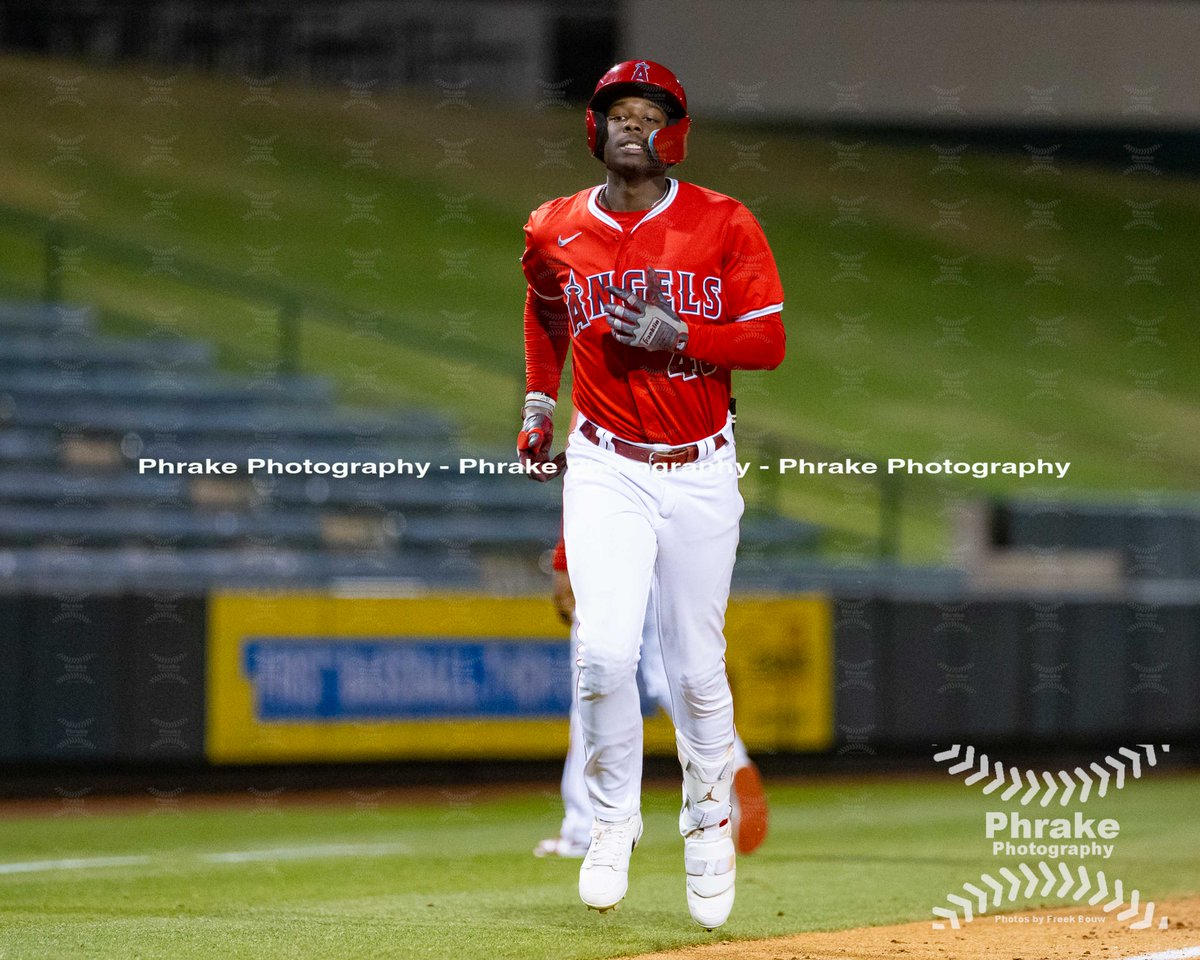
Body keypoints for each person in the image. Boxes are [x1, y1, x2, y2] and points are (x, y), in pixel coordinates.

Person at [517, 59, 785, 930]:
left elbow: (770, 341)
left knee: (696, 669)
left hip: (702, 467)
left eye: (649, 113)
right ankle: (607, 821)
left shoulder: (723, 219)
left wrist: (688, 333)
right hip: (606, 464)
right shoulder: (555, 224)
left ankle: (706, 825)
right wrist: (537, 397)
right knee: (601, 651)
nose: (632, 125)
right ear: (595, 130)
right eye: (618, 113)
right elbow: (543, 307)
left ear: (675, 133)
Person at [533, 538, 769, 861]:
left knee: (593, 684)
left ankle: (582, 827)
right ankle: (734, 761)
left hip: (613, 544)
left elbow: (581, 488)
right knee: (672, 680)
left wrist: (563, 560)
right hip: (670, 546)